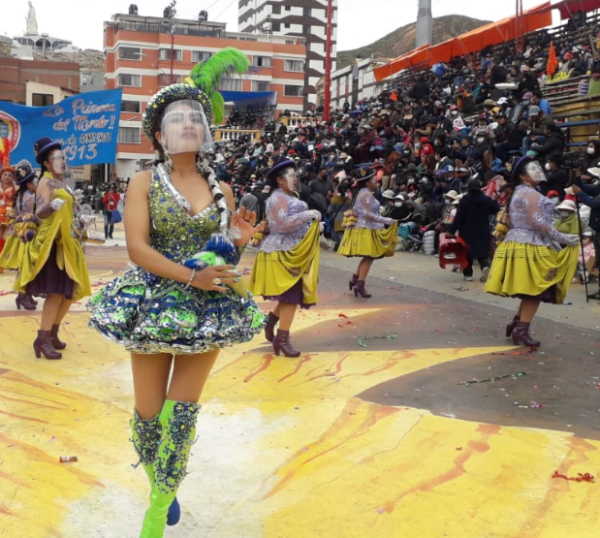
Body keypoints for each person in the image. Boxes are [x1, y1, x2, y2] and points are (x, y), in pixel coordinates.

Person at [88, 48, 264, 538]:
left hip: (208, 308)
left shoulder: (224, 190)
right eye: (177, 117)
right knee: (148, 415)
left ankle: (154, 515)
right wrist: (191, 277)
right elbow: (138, 250)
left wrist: (238, 247)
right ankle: (162, 484)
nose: (187, 123)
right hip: (150, 303)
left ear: (206, 129)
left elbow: (220, 256)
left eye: (195, 116)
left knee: (181, 414)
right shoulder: (142, 181)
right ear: (159, 134)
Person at [7, 138, 91, 359]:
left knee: (68, 295)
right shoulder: (45, 182)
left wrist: (82, 221)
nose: (62, 161)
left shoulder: (63, 184)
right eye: (57, 158)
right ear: (46, 163)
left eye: (63, 157)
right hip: (52, 244)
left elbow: (69, 214)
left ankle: (52, 333)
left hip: (68, 243)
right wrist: (50, 207)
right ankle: (42, 339)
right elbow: (38, 215)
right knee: (55, 294)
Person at [485, 157, 579, 347]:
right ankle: (521, 328)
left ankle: (518, 323)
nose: (538, 170)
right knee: (536, 290)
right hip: (530, 245)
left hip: (521, 242)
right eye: (532, 169)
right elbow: (538, 223)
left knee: (531, 289)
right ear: (522, 176)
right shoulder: (530, 194)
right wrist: (564, 238)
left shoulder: (522, 192)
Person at [249, 157, 322, 357]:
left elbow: (295, 224)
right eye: (291, 176)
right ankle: (282, 338)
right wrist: (309, 215)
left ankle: (271, 321)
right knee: (291, 296)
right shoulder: (277, 198)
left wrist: (314, 227)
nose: (296, 178)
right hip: (281, 252)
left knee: (290, 294)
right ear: (280, 181)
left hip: (294, 251)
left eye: (296, 175)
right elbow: (281, 224)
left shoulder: (290, 197)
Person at [337, 167, 398, 298]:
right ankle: (360, 284)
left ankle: (356, 279)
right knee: (369, 256)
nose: (376, 181)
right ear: (367, 182)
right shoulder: (366, 195)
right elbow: (368, 215)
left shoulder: (362, 193)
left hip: (365, 228)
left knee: (368, 256)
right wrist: (387, 220)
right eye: (373, 179)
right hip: (366, 228)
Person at [0, 160, 38, 310]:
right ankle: (22, 295)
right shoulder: (30, 197)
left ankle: (27, 294)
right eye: (33, 181)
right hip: (28, 234)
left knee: (27, 265)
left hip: (19, 233)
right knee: (28, 265)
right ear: (28, 183)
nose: (35, 184)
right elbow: (36, 214)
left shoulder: (20, 195)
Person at [448, 179, 500, 282]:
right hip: (482, 230)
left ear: (468, 189)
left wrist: (452, 231)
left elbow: (459, 218)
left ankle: (468, 275)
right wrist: (494, 200)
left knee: (467, 253)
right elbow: (496, 209)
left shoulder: (464, 201)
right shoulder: (486, 200)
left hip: (466, 231)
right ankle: (485, 268)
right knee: (482, 253)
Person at [0, 162, 17, 271]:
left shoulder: (16, 188)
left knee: (7, 237)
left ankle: (4, 261)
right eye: (5, 174)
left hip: (9, 215)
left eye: (10, 175)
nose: (7, 177)